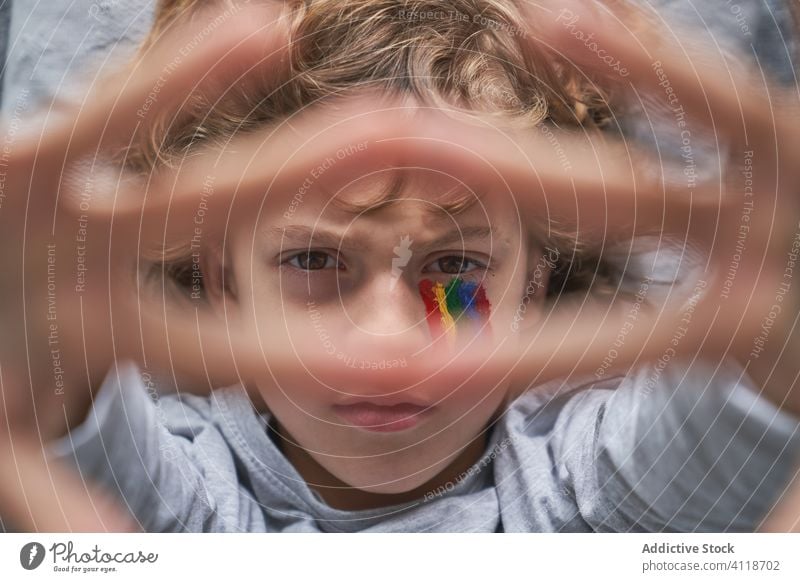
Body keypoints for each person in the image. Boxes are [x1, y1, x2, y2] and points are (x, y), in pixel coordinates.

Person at [0, 0, 799, 532]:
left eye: (457, 264)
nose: (390, 343)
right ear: (221, 278)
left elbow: (755, 383)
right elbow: (61, 411)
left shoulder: (585, 499)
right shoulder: (189, 495)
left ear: (536, 282)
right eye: (314, 259)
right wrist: (45, 365)